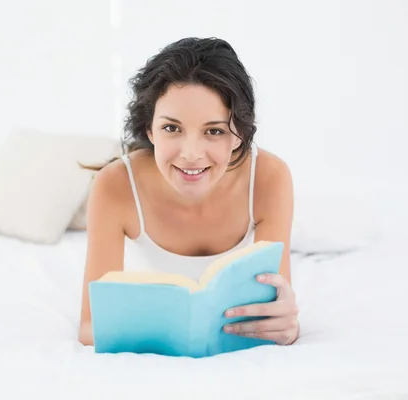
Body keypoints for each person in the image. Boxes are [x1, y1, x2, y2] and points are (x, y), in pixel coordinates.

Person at [78, 37, 299, 347]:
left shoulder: (270, 178)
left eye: (214, 131)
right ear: (149, 129)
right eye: (172, 128)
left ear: (239, 134)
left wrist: (287, 325)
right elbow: (90, 328)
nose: (191, 154)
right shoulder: (114, 186)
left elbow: (274, 313)